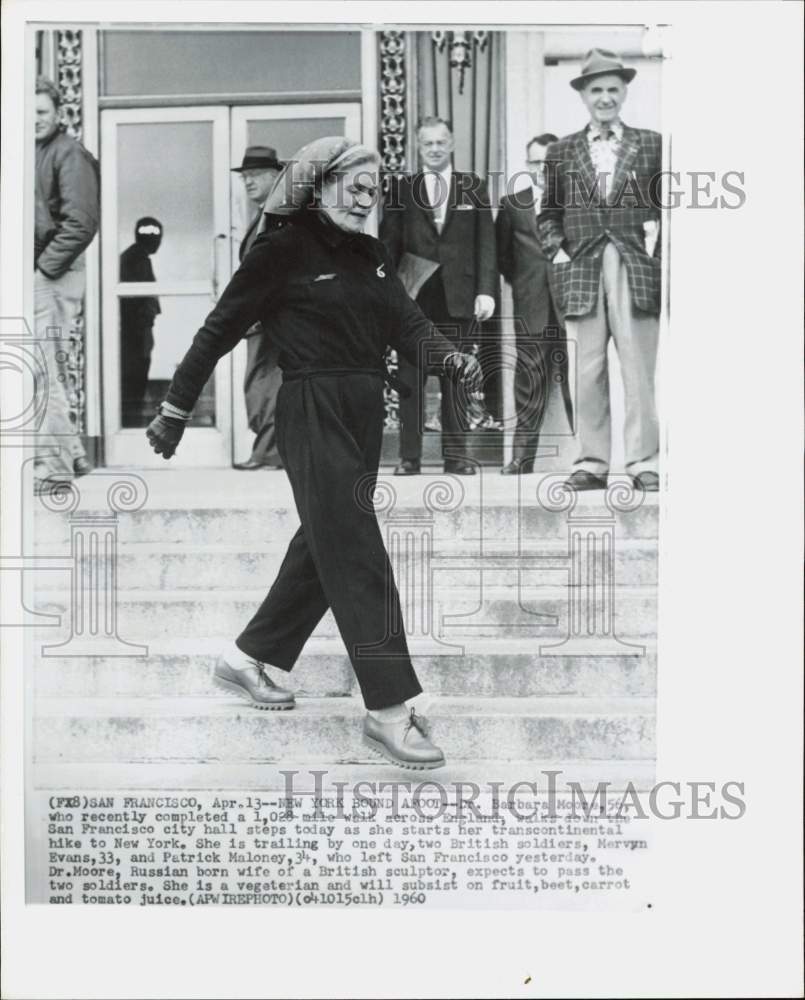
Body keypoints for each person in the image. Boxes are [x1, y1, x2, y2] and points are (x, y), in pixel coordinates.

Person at [145, 137, 482, 770]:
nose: (364, 198)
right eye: (352, 185)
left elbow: (406, 323)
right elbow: (218, 328)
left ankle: (247, 658)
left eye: (372, 188)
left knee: (323, 543)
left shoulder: (371, 255)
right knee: (354, 547)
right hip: (309, 409)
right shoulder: (281, 250)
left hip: (360, 414)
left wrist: (453, 361)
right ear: (317, 187)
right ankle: (388, 712)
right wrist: (174, 408)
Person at [537, 49, 662, 492]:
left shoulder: (652, 144)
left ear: (625, 92)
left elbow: (668, 209)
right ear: (584, 97)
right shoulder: (561, 151)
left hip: (634, 265)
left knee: (638, 368)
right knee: (586, 371)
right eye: (597, 90)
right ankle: (591, 463)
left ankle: (644, 461)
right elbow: (547, 214)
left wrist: (657, 256)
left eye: (613, 89)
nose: (605, 97)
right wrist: (559, 254)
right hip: (582, 268)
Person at [380, 116, 497, 476]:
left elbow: (486, 243)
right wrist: (388, 296)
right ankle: (409, 457)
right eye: (427, 143)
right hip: (414, 301)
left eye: (440, 142)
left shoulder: (472, 187)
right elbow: (388, 245)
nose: (434, 149)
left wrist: (486, 291)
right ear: (418, 146)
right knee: (412, 381)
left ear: (452, 144)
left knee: (457, 379)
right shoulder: (402, 190)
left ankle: (457, 457)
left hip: (460, 298)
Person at [34, 75, 99, 491]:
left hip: (52, 272)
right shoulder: (37, 152)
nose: (33, 120)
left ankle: (54, 470)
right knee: (47, 366)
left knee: (40, 370)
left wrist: (43, 270)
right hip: (46, 271)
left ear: (59, 113)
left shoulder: (68, 153)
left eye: (40, 112)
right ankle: (72, 455)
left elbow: (81, 222)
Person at [496, 132, 572, 475]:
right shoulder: (513, 204)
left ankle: (591, 461)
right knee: (527, 382)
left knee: (585, 384)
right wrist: (528, 288)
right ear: (526, 165)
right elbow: (503, 260)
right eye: (535, 162)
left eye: (549, 161)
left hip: (574, 304)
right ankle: (520, 459)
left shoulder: (579, 200)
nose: (542, 168)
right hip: (531, 305)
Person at [230, 145, 284, 470]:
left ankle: (267, 453)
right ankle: (267, 452)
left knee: (265, 384)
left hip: (271, 315)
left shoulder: (278, 214)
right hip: (261, 316)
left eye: (256, 175)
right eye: (245, 176)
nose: (248, 182)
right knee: (260, 384)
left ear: (275, 176)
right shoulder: (265, 213)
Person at [119, 217, 162, 425]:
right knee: (135, 381)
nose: (157, 242)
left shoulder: (133, 257)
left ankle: (131, 422)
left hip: (136, 333)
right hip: (135, 334)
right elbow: (140, 303)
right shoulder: (137, 259)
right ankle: (130, 424)